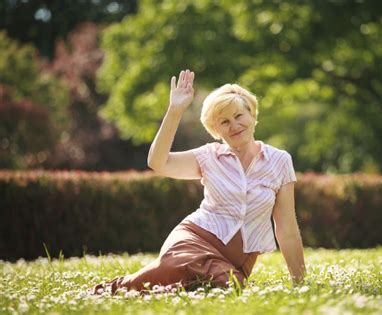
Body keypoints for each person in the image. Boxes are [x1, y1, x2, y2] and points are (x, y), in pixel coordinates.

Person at [92, 69, 305, 295]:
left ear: (252, 115)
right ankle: (116, 289)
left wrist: (300, 283)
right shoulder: (209, 156)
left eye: (239, 116)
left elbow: (286, 228)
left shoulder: (280, 161)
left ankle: (157, 286)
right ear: (216, 130)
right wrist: (175, 111)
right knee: (183, 266)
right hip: (195, 238)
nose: (234, 125)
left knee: (226, 287)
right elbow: (158, 162)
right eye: (224, 121)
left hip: (236, 262)